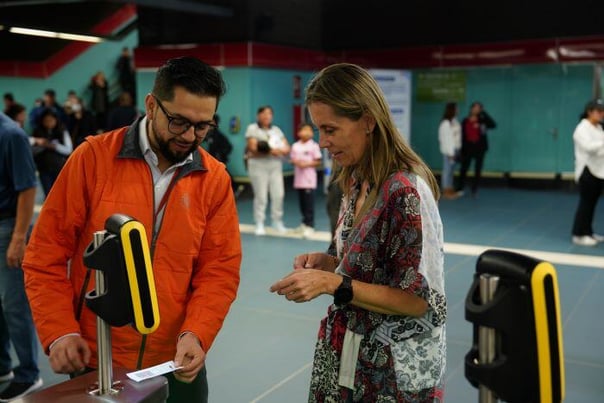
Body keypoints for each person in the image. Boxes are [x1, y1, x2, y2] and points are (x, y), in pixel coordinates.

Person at [22, 56, 242, 403]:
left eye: (203, 126)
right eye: (179, 122)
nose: (189, 136)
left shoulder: (213, 180)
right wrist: (59, 330)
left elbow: (220, 271)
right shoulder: (92, 158)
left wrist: (197, 334)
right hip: (99, 360)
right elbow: (44, 254)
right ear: (151, 105)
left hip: (175, 360)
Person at [270, 63, 446, 402]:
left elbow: (416, 300)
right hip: (351, 355)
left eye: (330, 129)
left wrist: (334, 283)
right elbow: (373, 261)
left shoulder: (405, 190)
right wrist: (331, 262)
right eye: (319, 130)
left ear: (368, 121)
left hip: (392, 372)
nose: (323, 142)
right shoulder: (356, 178)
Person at [0, 112, 43, 401]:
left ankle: (28, 373)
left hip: (8, 227)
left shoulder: (11, 135)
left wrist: (18, 238)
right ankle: (3, 365)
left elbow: (28, 188)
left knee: (14, 305)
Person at [245, 105, 291, 235]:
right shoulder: (252, 129)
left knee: (279, 194)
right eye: (264, 113)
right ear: (258, 115)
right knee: (261, 196)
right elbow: (253, 148)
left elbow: (287, 147)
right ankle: (259, 223)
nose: (267, 116)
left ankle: (277, 221)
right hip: (258, 166)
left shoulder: (276, 130)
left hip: (275, 165)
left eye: (269, 113)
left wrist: (277, 151)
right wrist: (273, 151)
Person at [570, 98, 604, 246]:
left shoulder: (598, 128)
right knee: (586, 203)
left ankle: (588, 232)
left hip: (599, 171)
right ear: (589, 112)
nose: (601, 114)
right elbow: (589, 147)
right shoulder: (581, 128)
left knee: (592, 204)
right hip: (587, 172)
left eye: (603, 111)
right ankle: (578, 234)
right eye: (598, 111)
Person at [456, 101, 496, 197]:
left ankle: (474, 189)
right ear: (471, 109)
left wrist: (484, 113)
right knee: (464, 168)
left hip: (480, 148)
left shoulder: (482, 120)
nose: (476, 110)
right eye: (474, 107)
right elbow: (462, 136)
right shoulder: (465, 120)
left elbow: (493, 125)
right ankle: (460, 188)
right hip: (467, 147)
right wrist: (461, 149)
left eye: (478, 108)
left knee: (478, 169)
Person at [31, 108, 73, 197]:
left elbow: (68, 149)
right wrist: (43, 145)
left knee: (61, 194)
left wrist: (54, 146)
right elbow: (32, 150)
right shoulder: (38, 132)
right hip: (44, 168)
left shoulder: (62, 130)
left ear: (56, 120)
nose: (49, 123)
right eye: (46, 121)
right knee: (48, 195)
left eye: (51, 120)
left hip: (59, 167)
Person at [290, 123, 322, 238]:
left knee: (309, 204)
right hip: (299, 180)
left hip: (309, 180)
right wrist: (297, 162)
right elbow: (292, 159)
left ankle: (310, 226)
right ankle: (304, 223)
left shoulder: (313, 146)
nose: (307, 132)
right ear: (299, 132)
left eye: (310, 130)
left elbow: (318, 161)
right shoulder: (295, 146)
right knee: (302, 203)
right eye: (304, 130)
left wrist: (307, 163)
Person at [438, 102, 462, 199]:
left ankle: (450, 189)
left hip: (455, 150)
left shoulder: (455, 121)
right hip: (449, 151)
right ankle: (445, 190)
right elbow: (445, 139)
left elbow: (457, 137)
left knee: (451, 171)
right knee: (447, 171)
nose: (458, 110)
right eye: (456, 108)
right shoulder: (445, 123)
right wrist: (450, 153)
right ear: (452, 110)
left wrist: (457, 150)